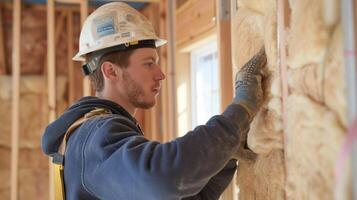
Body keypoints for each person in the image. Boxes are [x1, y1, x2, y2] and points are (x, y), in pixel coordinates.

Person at [41, 2, 266, 200]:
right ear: (111, 71)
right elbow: (162, 179)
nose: (160, 74)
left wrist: (223, 155)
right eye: (148, 63)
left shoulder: (91, 136)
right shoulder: (97, 136)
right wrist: (241, 107)